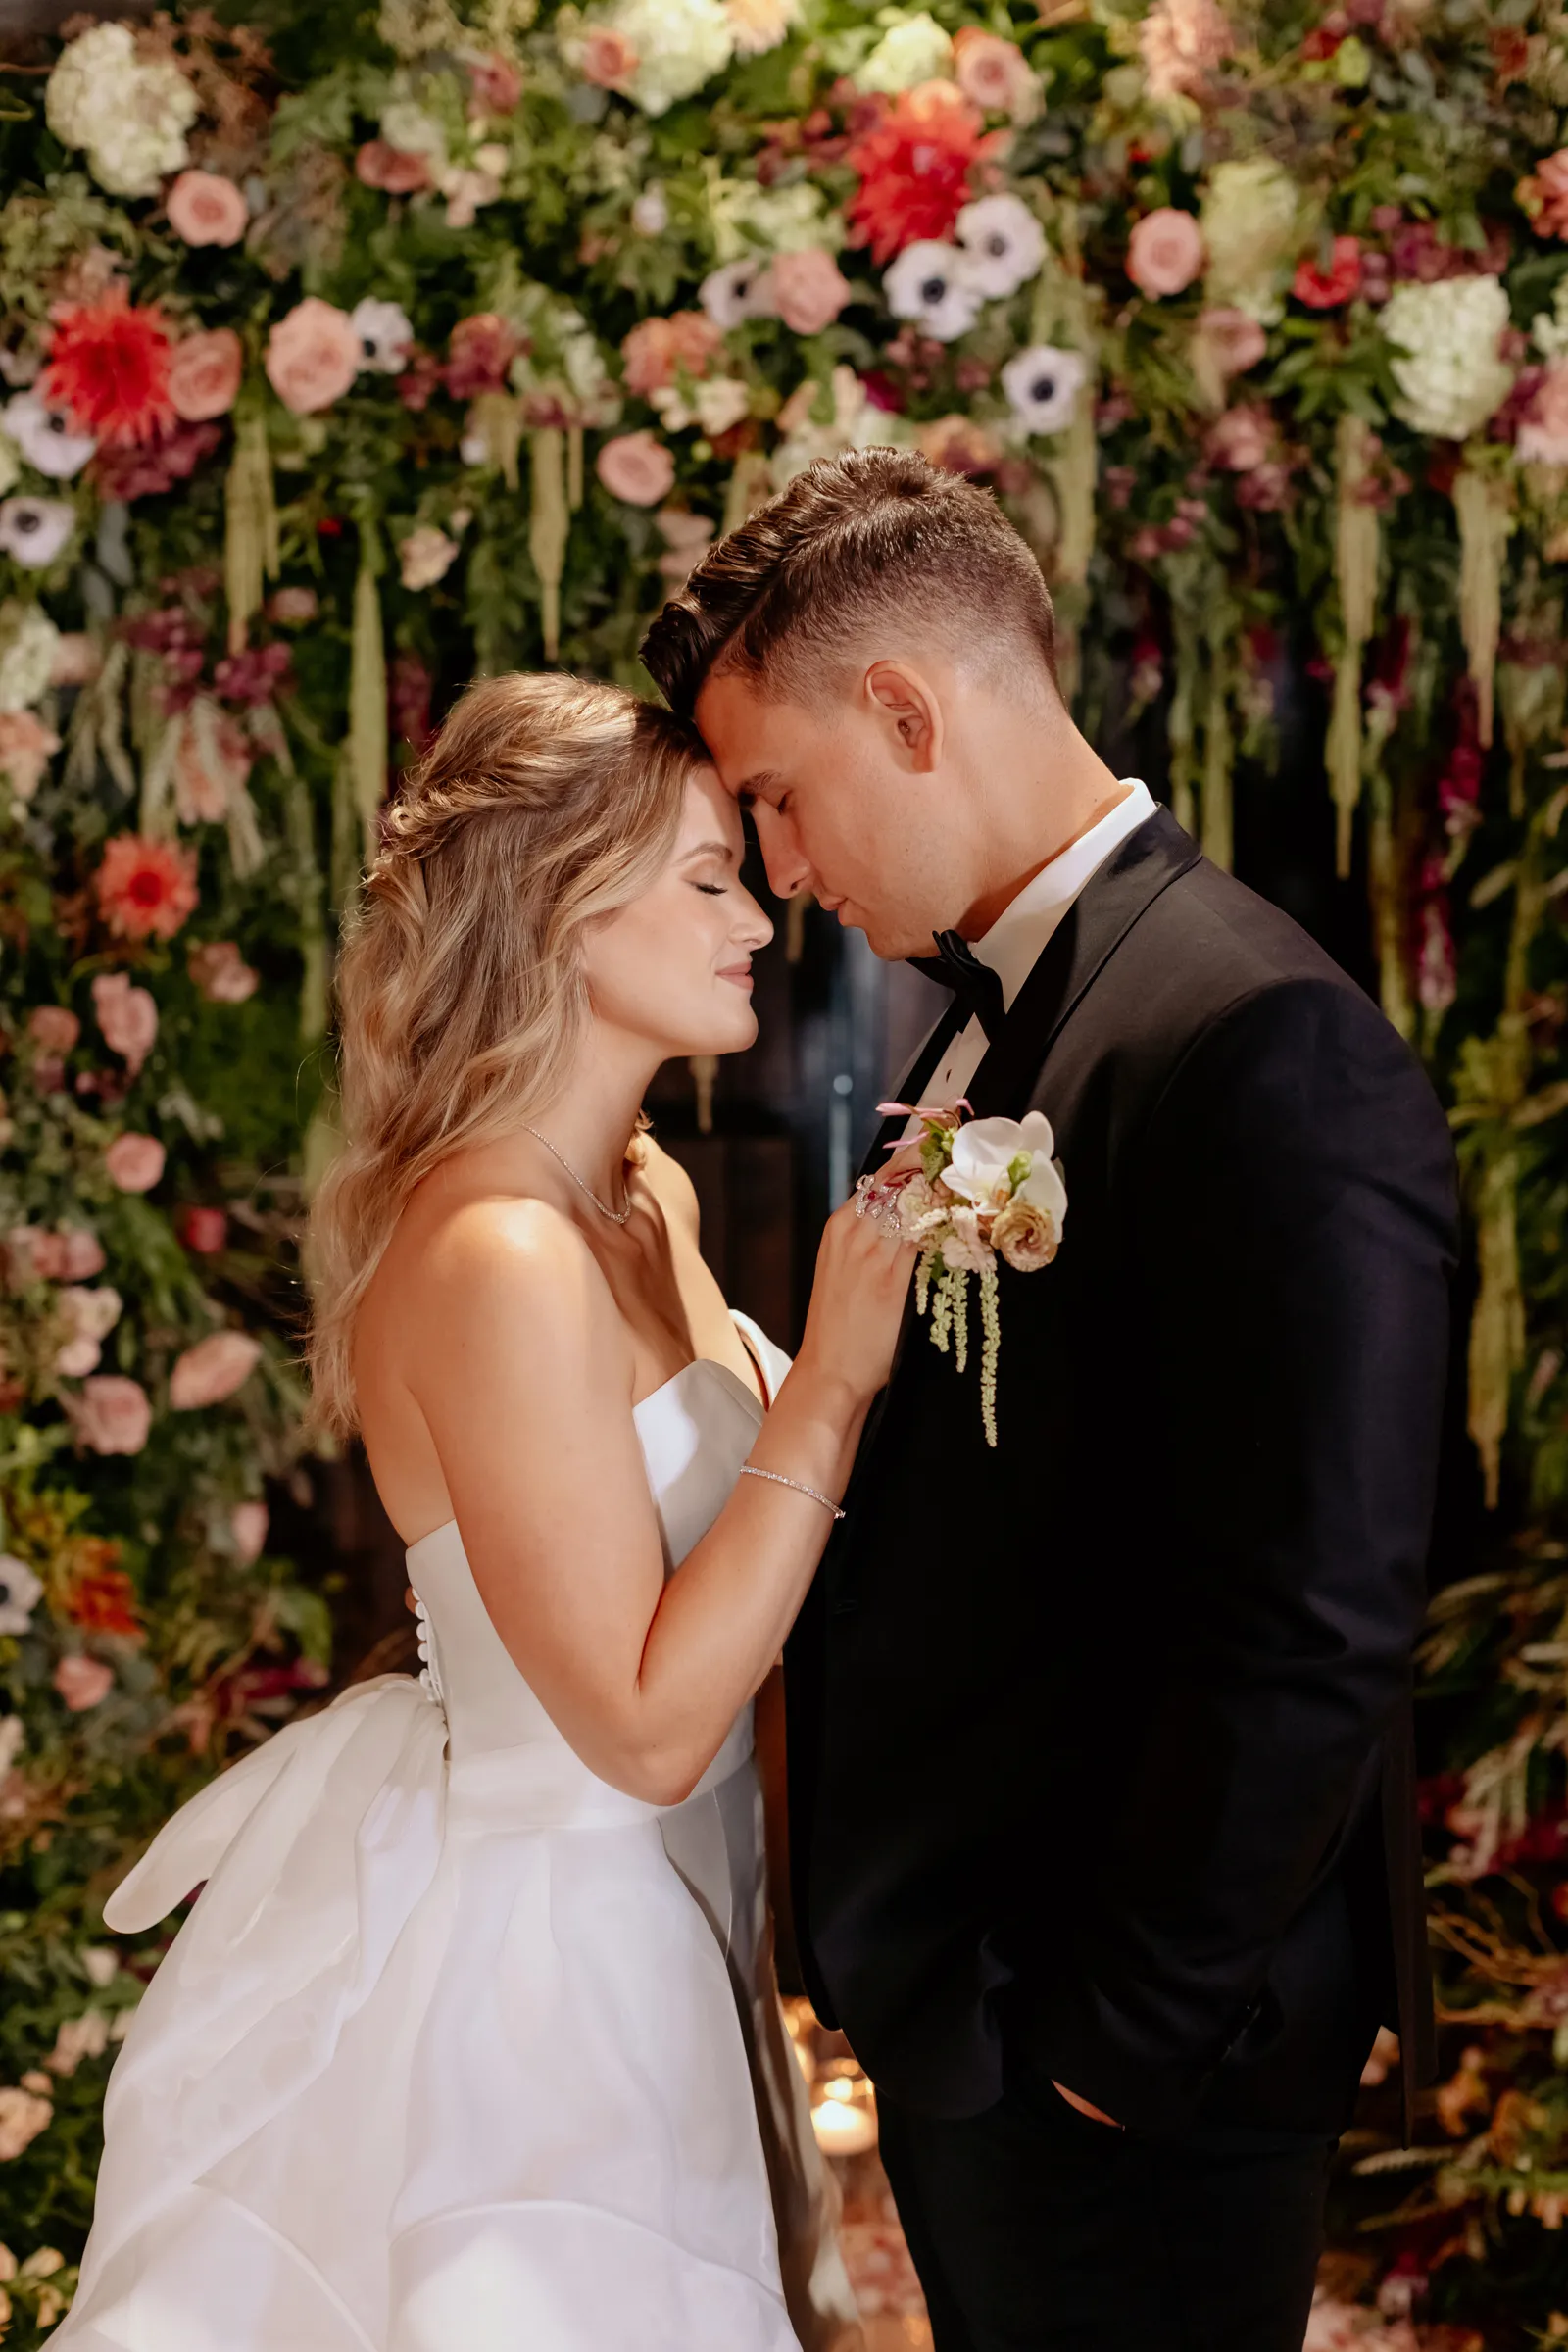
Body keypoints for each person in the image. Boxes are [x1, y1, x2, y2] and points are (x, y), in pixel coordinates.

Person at [640, 446, 1460, 2352]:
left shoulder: (1254, 1038)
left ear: (906, 711)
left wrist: (1108, 2046)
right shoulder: (1012, 1006)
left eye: (776, 798)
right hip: (987, 2012)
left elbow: (1317, 1610)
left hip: (1110, 2058)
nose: (778, 870)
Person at [57, 672, 911, 2352]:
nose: (760, 917)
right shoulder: (496, 1254)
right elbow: (649, 1730)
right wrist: (830, 1381)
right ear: (563, 910)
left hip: (702, 1932)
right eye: (706, 876)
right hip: (558, 1985)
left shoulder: (640, 1192)